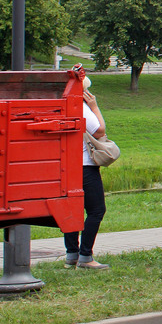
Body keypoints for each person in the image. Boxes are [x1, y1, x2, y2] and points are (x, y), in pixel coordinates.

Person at [64, 75, 110, 270]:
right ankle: (86, 256)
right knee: (97, 210)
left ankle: (71, 255)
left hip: (67, 166)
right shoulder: (81, 107)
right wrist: (95, 107)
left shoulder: (62, 104)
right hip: (85, 166)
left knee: (72, 210)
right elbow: (99, 131)